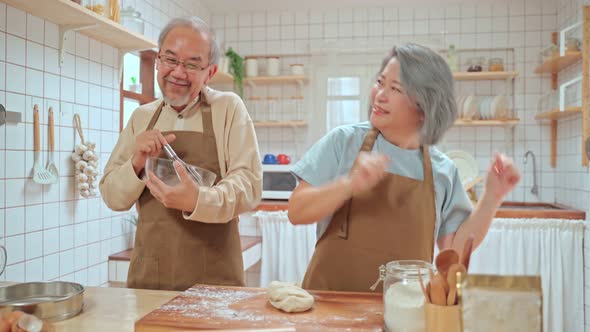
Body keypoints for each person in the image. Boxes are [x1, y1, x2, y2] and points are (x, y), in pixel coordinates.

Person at [288, 43, 520, 292]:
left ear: (424, 108)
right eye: (380, 82)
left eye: (395, 89)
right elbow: (297, 210)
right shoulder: (343, 141)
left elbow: (453, 249)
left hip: (404, 310)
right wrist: (348, 185)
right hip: (329, 307)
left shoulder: (443, 171)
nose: (379, 95)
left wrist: (492, 197)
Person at [99, 17, 262, 291]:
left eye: (192, 64)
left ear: (209, 72)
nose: (178, 72)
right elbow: (112, 196)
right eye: (171, 60)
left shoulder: (228, 109)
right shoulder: (142, 117)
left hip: (215, 279)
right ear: (158, 61)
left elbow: (250, 185)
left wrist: (198, 199)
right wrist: (138, 161)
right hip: (150, 279)